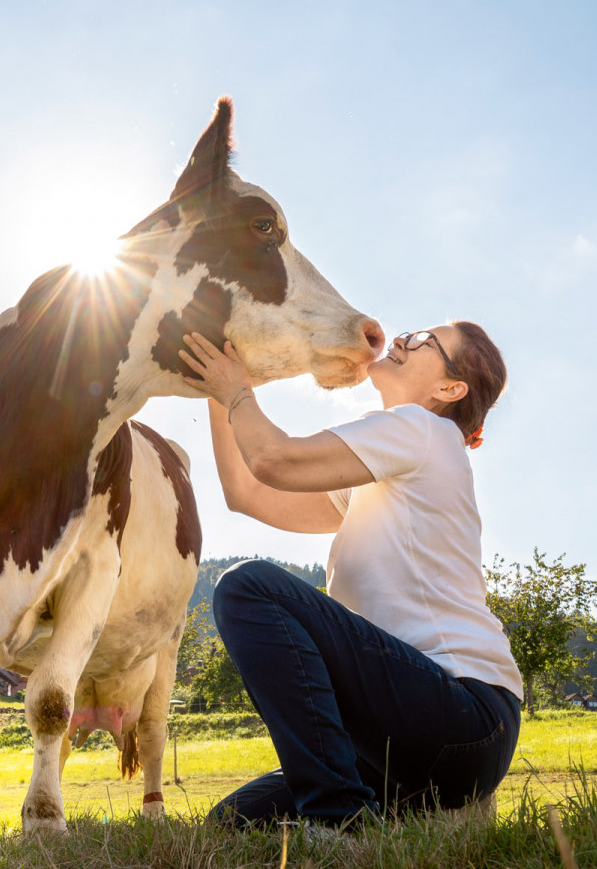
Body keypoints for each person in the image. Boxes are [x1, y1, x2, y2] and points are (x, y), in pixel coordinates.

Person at [177, 323, 520, 829]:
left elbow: (276, 459)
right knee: (233, 823)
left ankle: (339, 821)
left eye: (427, 339)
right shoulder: (392, 465)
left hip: (461, 712)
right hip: (407, 739)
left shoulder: (420, 428)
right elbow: (249, 492)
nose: (405, 339)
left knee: (249, 586)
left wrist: (237, 392)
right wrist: (218, 392)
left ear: (449, 390)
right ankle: (413, 811)